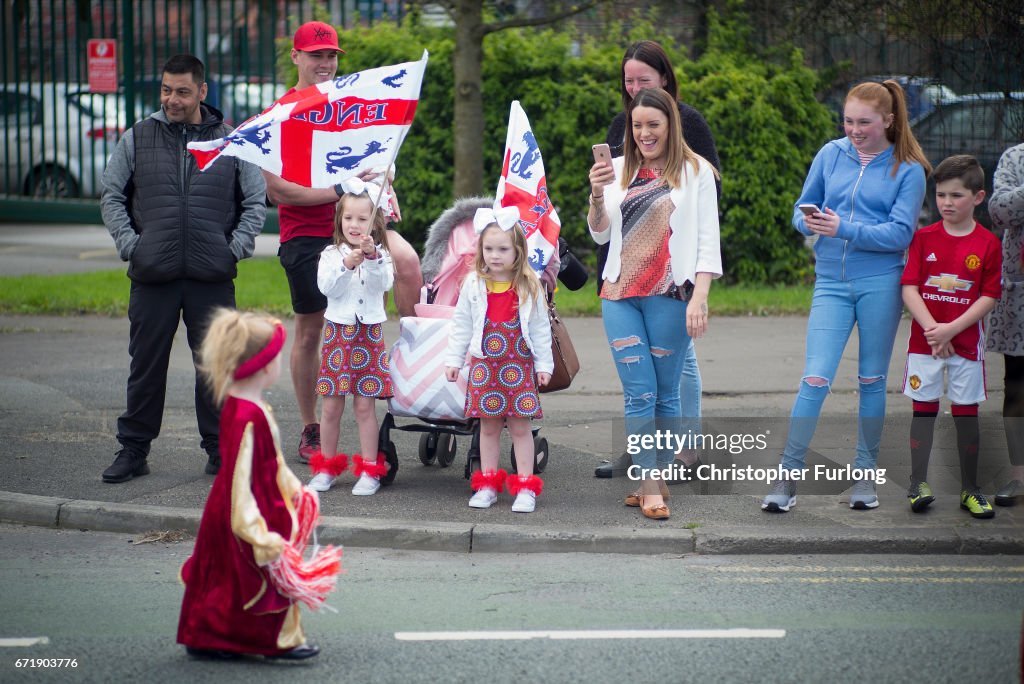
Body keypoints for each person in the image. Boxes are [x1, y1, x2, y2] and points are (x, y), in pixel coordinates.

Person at [761, 79, 930, 513]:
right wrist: (811, 222)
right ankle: (787, 478)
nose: (854, 130)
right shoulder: (830, 153)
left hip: (880, 284)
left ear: (889, 120)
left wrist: (846, 229)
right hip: (830, 283)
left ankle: (864, 479)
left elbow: (900, 234)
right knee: (814, 379)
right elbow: (803, 208)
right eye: (848, 121)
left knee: (871, 381)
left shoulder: (907, 169)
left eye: (865, 123)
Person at [100, 54, 266, 483]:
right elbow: (111, 195)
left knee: (215, 367)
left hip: (211, 276)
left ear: (202, 92)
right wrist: (132, 246)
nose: (172, 99)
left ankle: (219, 450)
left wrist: (234, 249)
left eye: (182, 91)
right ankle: (134, 450)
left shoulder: (230, 142)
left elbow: (254, 203)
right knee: (146, 367)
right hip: (152, 273)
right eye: (166, 90)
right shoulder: (139, 136)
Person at [262, 20, 423, 464]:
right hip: (307, 234)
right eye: (316, 55)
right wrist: (337, 190)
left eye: (331, 55)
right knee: (313, 329)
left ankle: (419, 378)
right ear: (296, 57)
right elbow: (276, 190)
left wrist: (384, 191)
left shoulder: (352, 103)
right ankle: (312, 426)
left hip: (361, 224)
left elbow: (377, 161)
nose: (325, 63)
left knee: (407, 265)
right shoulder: (282, 113)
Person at [587, 87, 722, 520]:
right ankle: (649, 485)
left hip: (671, 294)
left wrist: (700, 297)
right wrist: (595, 196)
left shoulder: (697, 171)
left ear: (670, 126)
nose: (644, 133)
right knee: (638, 392)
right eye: (637, 125)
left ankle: (657, 477)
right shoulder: (620, 169)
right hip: (620, 294)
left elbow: (707, 240)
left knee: (666, 396)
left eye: (653, 125)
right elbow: (601, 234)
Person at [177, 310, 341, 660]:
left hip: (241, 511)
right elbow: (240, 481)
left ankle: (208, 634)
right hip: (246, 516)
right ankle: (273, 641)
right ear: (263, 366)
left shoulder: (249, 407)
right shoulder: (246, 415)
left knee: (230, 579)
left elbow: (271, 462)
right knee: (252, 579)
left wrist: (296, 491)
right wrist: (259, 535)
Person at [900, 155, 1001, 518]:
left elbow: (988, 296)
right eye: (940, 194)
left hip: (965, 345)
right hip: (924, 343)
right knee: (923, 409)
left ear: (978, 197)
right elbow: (910, 288)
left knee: (966, 414)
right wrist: (933, 331)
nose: (946, 202)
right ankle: (917, 484)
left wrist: (951, 330)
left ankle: (970, 490)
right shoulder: (922, 237)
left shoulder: (988, 243)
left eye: (956, 195)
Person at [444, 207, 553, 513]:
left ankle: (525, 488)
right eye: (488, 249)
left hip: (517, 366)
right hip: (484, 366)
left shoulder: (528, 285)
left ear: (518, 251)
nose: (494, 255)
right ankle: (488, 485)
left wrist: (544, 365)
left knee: (520, 428)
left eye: (503, 249)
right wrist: (454, 359)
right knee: (488, 428)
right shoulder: (473, 285)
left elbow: (540, 328)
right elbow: (462, 325)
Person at [307, 179, 395, 495]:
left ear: (374, 221)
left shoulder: (381, 255)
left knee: (364, 406)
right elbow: (327, 288)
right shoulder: (331, 254)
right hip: (337, 335)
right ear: (339, 220)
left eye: (362, 218)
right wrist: (347, 264)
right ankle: (326, 467)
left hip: (367, 335)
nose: (354, 225)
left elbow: (382, 284)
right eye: (348, 218)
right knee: (331, 406)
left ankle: (369, 470)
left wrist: (370, 259)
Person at [986, 142, 1024, 506]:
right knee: (1016, 387)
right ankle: (1019, 477)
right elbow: (1000, 211)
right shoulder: (1015, 157)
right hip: (1020, 298)